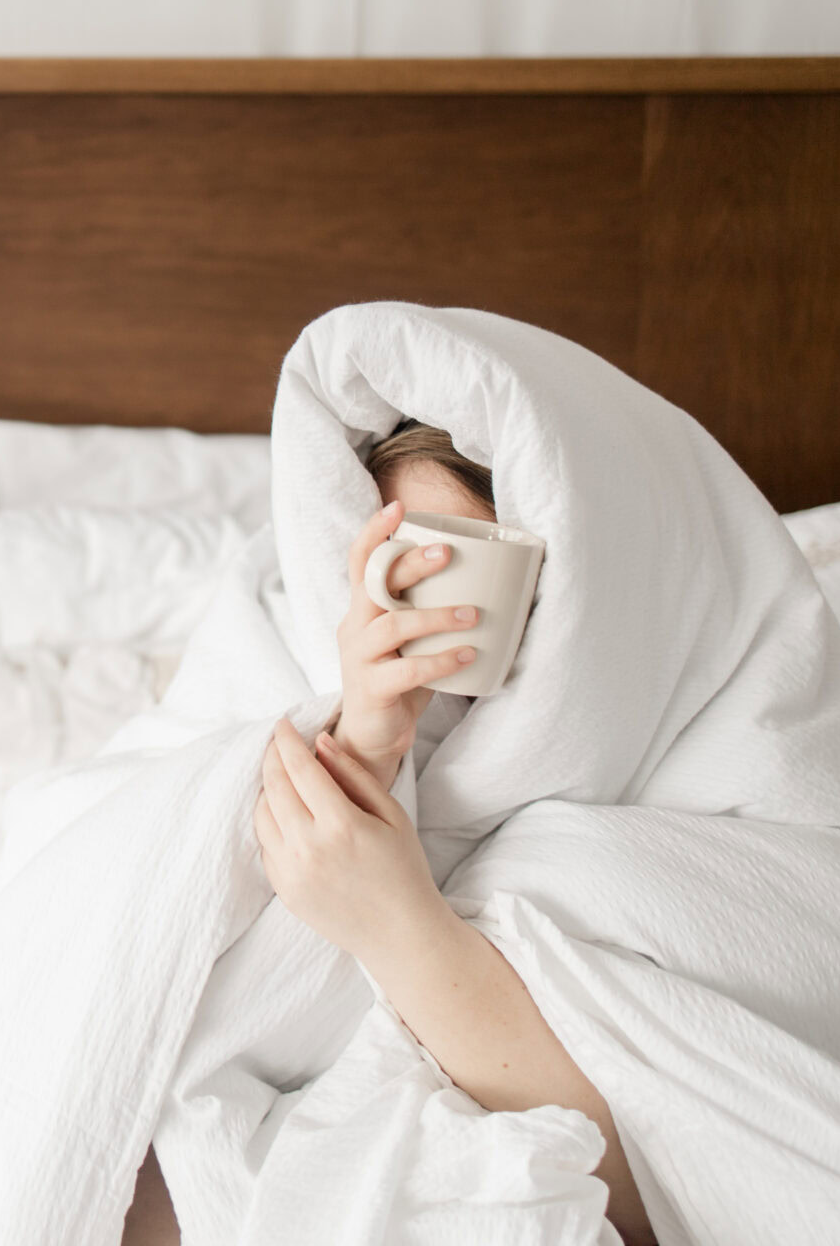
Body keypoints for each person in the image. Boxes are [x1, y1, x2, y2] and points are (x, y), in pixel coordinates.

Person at [254, 420, 655, 1244]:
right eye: (412, 557)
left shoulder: (666, 760)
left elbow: (677, 1182)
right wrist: (365, 741)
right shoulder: (264, 657)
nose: (440, 604)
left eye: (486, 562)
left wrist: (395, 916)